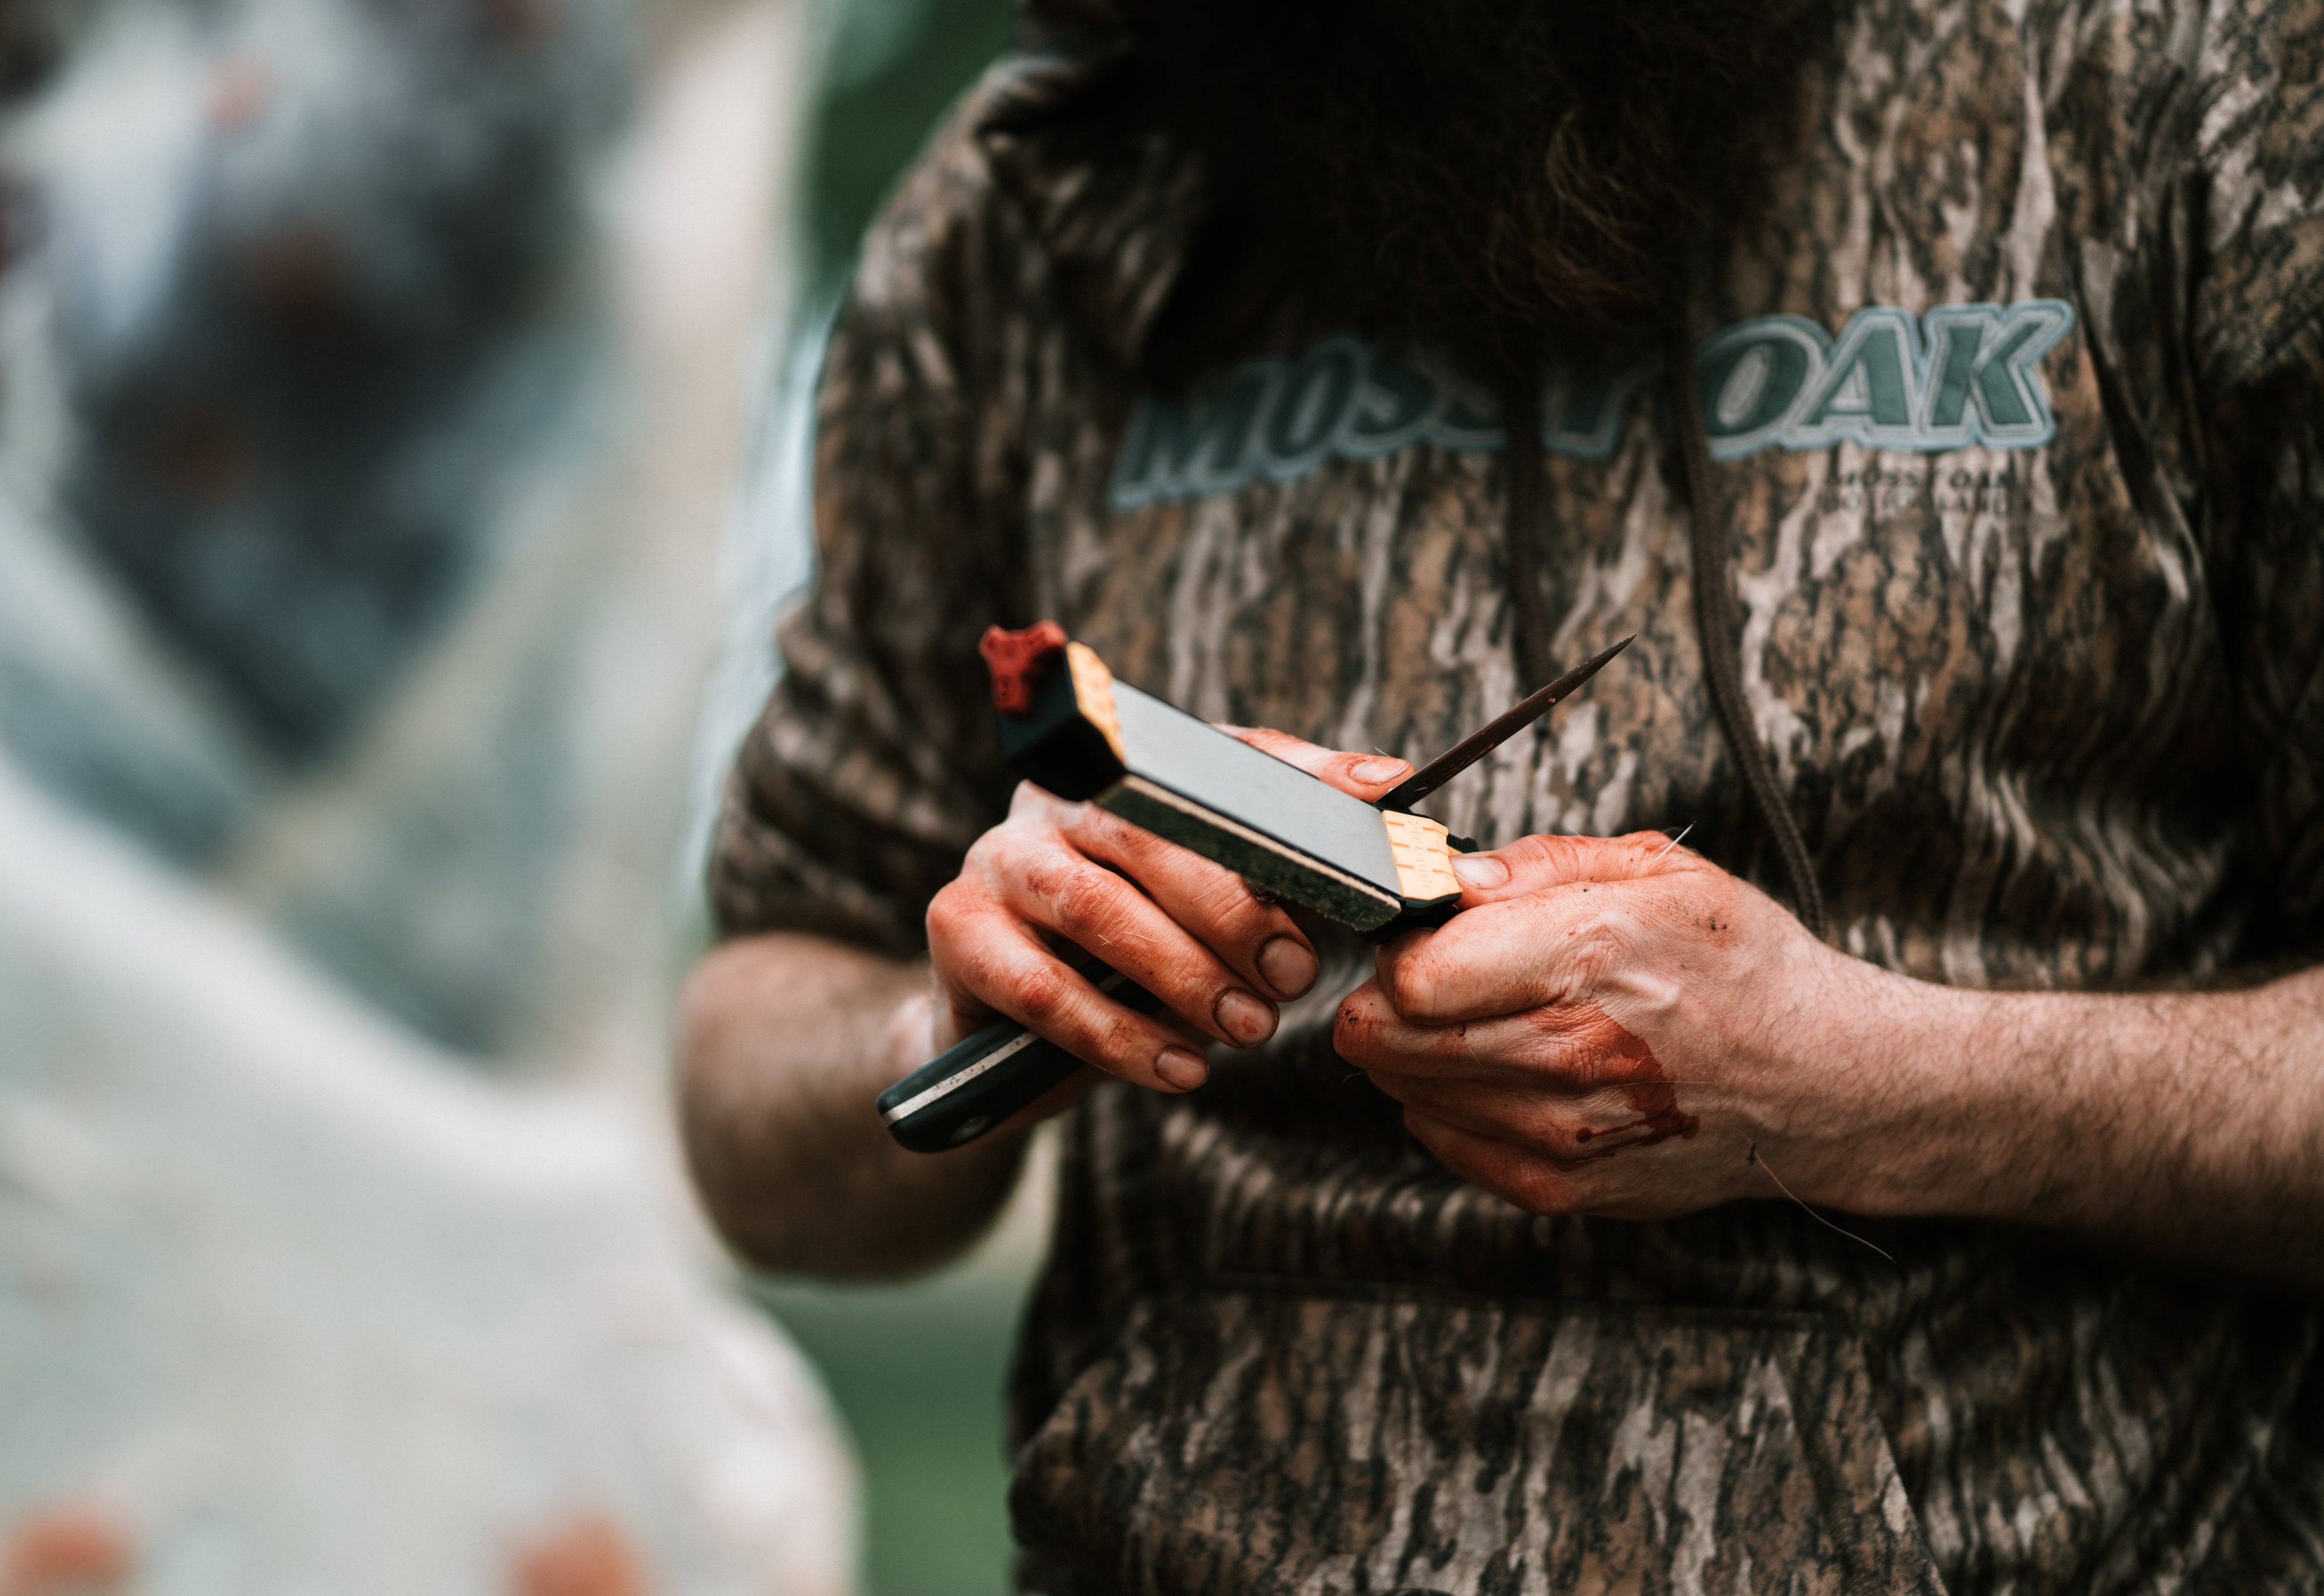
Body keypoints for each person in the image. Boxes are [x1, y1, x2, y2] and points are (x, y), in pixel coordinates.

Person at [680, 0, 2324, 1588]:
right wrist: (967, 1008)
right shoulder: (1036, 193)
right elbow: (749, 1098)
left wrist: (1868, 1081)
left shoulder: (2190, 86)